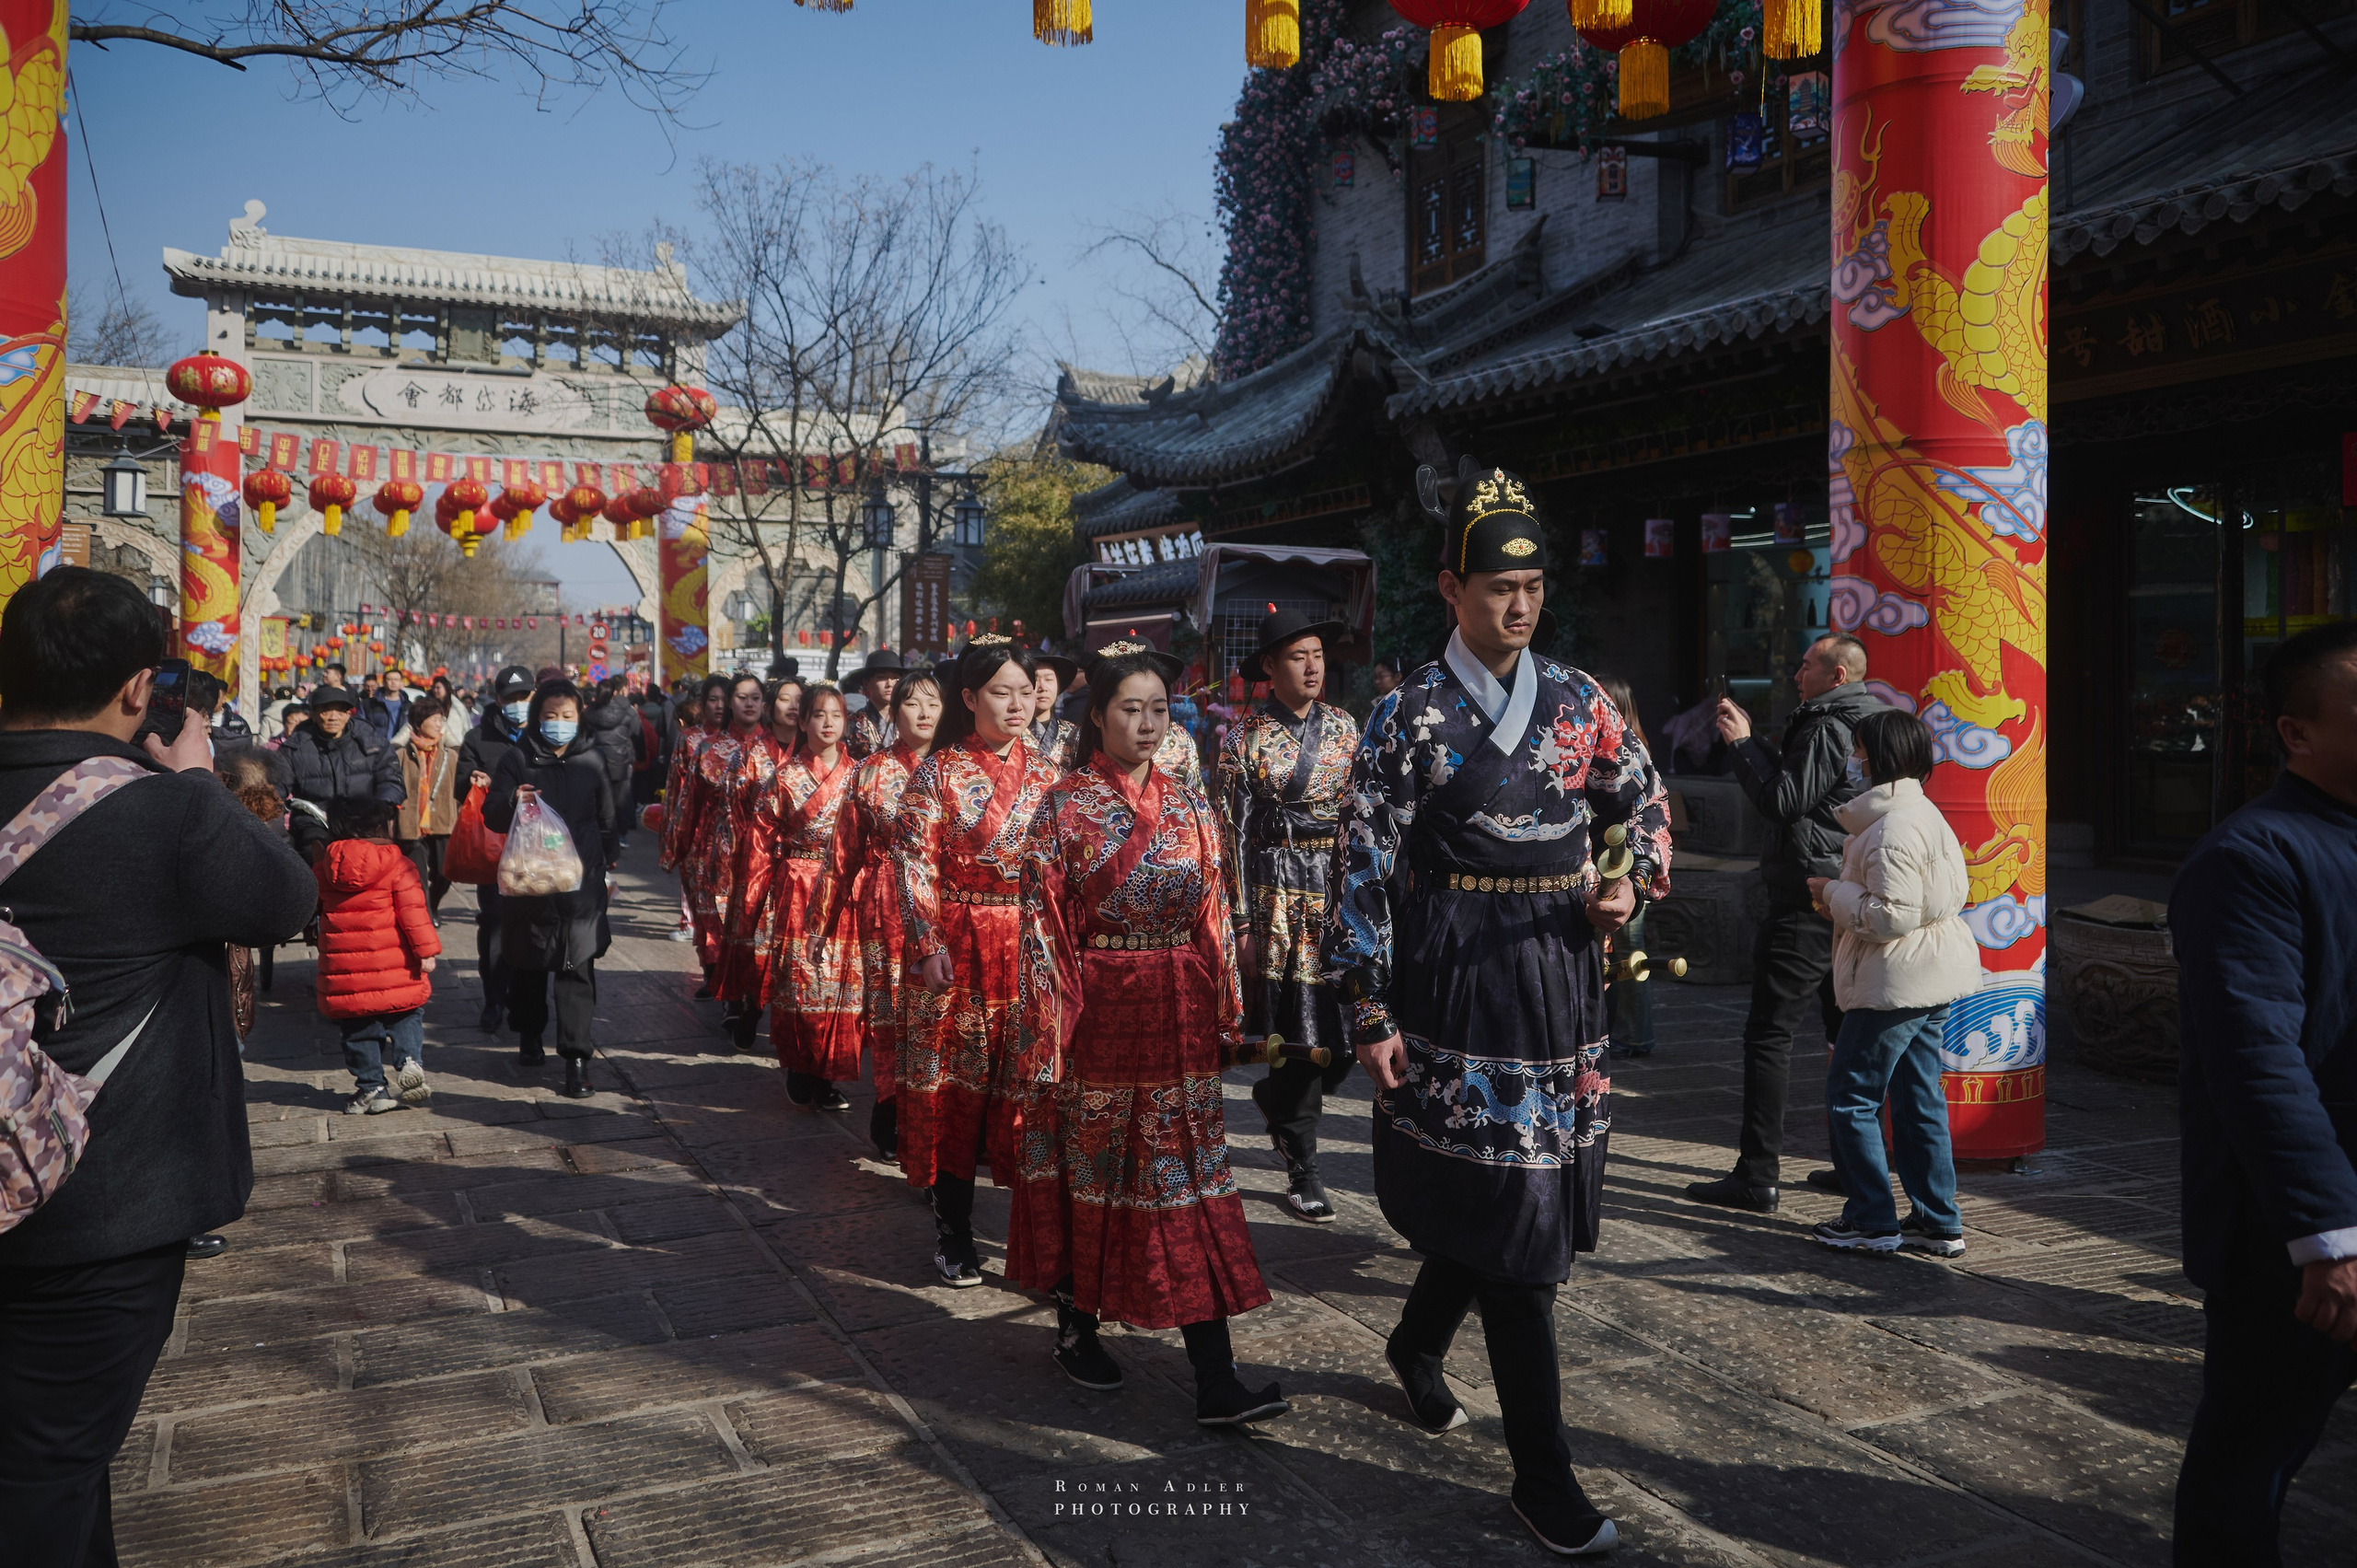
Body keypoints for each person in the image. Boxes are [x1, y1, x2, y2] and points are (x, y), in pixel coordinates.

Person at [1323, 459, 1670, 1558]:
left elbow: (1645, 806)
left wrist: (1631, 878)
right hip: (1454, 978)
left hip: (1560, 974)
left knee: (1514, 1197)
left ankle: (1417, 1345)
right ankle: (1542, 1474)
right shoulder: (1406, 716)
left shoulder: (1576, 704)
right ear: (1449, 588)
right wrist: (1368, 1008)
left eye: (1531, 583)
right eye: (1494, 585)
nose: (1517, 603)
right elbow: (1360, 866)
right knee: (1516, 1229)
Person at [0, 568, 315, 1567]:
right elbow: (283, 900)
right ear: (141, 688)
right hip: (96, 1197)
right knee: (45, 1463)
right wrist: (191, 778)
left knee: (52, 1455)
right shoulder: (163, 813)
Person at [1012, 647, 1290, 1423]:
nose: (1146, 722)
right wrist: (1049, 1036)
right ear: (1096, 715)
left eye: (1159, 709)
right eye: (1130, 708)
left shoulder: (1192, 804)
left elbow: (1214, 914)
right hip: (1097, 1014)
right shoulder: (1063, 807)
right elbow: (1043, 930)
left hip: (1175, 1010)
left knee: (1187, 1179)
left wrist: (1228, 1011)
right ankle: (1077, 1323)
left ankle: (1214, 1373)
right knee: (1094, 1169)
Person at [2170, 621, 2357, 1564]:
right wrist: (2327, 1227)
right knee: (2252, 1460)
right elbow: (2257, 1057)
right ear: (2296, 732)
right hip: (2296, 1234)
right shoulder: (2251, 857)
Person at [1686, 633, 1881, 1213]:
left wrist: (1744, 748)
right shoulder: (1861, 719)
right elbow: (1807, 789)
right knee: (1842, 1033)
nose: (1797, 674)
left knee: (1770, 1035)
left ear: (1837, 675)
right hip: (1841, 889)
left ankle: (1757, 1174)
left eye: (1807, 666)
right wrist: (1755, 744)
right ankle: (1855, 1166)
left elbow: (1783, 801)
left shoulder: (1827, 723)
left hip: (1808, 895)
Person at [896, 638, 1062, 1288]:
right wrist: (928, 943)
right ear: (968, 699)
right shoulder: (937, 774)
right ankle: (954, 1230)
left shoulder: (1051, 776)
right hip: (960, 945)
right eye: (1001, 691)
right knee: (957, 1091)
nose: (1017, 703)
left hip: (1031, 948)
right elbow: (914, 862)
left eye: (1025, 690)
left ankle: (1034, 1233)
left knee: (1032, 1093)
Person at [1804, 709, 1978, 1254]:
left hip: (1896, 979)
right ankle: (1937, 1219)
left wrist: (1831, 892)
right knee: (1916, 1095)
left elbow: (1889, 916)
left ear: (1877, 758)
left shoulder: (1895, 825)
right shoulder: (1919, 812)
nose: (1852, 761)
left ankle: (1872, 1220)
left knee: (1851, 1094)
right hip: (1927, 975)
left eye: (1858, 751)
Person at [1214, 610, 1359, 1223]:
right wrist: (1241, 921)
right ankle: (1304, 1163)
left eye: (1318, 654)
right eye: (1298, 656)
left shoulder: (1348, 728)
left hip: (1335, 889)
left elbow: (1364, 818)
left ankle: (1275, 1099)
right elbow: (1232, 834)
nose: (1312, 666)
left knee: (1347, 1036)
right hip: (1274, 891)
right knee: (1300, 1033)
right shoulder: (1243, 736)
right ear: (1270, 667)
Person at [812, 668, 945, 1159]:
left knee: (940, 1018)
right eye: (913, 704)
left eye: (934, 703)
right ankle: (891, 1112)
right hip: (885, 909)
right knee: (891, 1017)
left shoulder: (959, 769)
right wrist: (820, 922)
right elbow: (842, 853)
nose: (925, 713)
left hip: (946, 908)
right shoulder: (871, 772)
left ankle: (939, 1125)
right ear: (896, 711)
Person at [483, 678, 618, 1099]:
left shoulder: (592, 762)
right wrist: (512, 802)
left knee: (576, 966)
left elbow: (608, 820)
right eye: (549, 716)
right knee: (527, 961)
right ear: (536, 717)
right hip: (532, 883)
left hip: (581, 884)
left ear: (579, 717)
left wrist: (605, 869)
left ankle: (576, 1058)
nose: (558, 724)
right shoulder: (516, 760)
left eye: (567, 716)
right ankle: (528, 1034)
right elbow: (491, 813)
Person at [314, 798, 442, 1115]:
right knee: (406, 1013)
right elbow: (414, 913)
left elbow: (310, 907)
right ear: (379, 828)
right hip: (395, 964)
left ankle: (372, 1089)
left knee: (357, 1030)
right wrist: (426, 952)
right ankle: (409, 1060)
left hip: (346, 970)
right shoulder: (399, 865)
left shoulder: (324, 867)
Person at [769, 686, 860, 1109]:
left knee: (840, 981)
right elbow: (759, 841)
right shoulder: (784, 777)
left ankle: (826, 1072)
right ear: (801, 721)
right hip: (800, 883)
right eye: (818, 715)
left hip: (843, 887)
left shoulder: (859, 774)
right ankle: (800, 1068)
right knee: (803, 979)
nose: (827, 723)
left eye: (836, 716)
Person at [714, 677, 795, 1049]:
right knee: (756, 941)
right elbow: (730, 815)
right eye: (785, 700)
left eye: (800, 701)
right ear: (770, 707)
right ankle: (750, 1004)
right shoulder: (748, 754)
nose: (792, 707)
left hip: (802, 867)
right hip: (757, 861)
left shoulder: (817, 753)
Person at [459, 666, 535, 1032]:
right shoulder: (478, 738)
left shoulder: (543, 737)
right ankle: (493, 999)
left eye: (526, 698)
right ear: (499, 699)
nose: (520, 705)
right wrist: (476, 781)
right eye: (513, 698)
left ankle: (526, 1000)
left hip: (541, 849)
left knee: (535, 925)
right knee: (495, 925)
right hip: (497, 848)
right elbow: (462, 788)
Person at [1596, 677, 1662, 1059]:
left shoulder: (1630, 751)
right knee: (1622, 953)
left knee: (1629, 952)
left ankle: (1635, 1034)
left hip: (1626, 870)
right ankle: (1626, 1031)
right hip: (1618, 868)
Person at [282, 683, 405, 864]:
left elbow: (391, 779)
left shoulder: (371, 741)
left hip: (363, 819)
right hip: (315, 820)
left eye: (340, 711)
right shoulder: (296, 746)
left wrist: (382, 807)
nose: (333, 717)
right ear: (314, 715)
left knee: (373, 863)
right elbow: (276, 784)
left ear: (349, 714)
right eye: (326, 711)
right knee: (315, 855)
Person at [659, 675, 728, 947]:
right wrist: (672, 836)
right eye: (713, 699)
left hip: (737, 835)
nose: (720, 706)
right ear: (702, 703)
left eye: (725, 699)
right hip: (698, 827)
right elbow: (676, 789)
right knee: (699, 894)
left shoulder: (751, 740)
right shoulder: (690, 739)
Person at [396, 697, 460, 921]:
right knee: (417, 876)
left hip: (442, 822)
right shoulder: (402, 755)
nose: (439, 723)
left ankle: (432, 903)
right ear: (419, 722)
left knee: (445, 873)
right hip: (411, 823)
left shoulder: (450, 756)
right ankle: (425, 915)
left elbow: (458, 790)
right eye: (434, 719)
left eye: (440, 719)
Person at [584, 678, 638, 849]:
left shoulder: (587, 714)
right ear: (615, 693)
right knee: (619, 802)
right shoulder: (626, 712)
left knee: (597, 802)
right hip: (619, 763)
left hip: (594, 764)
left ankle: (599, 835)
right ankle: (620, 836)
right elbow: (635, 734)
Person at [844, 648, 906, 759]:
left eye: (895, 678)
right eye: (882, 678)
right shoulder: (851, 723)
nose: (890, 684)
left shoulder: (907, 720)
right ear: (866, 683)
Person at [1029, 652, 1083, 769]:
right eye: (1035, 680)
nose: (1042, 687)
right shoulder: (1011, 733)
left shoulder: (1074, 733)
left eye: (1049, 679)